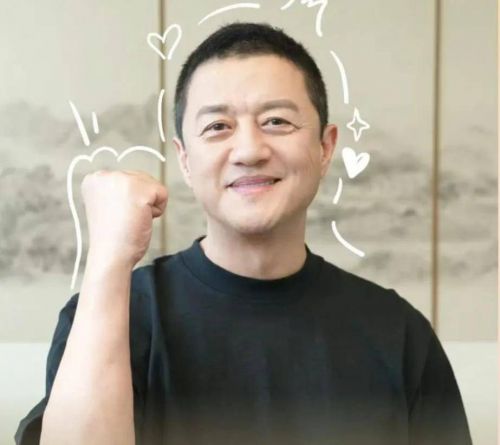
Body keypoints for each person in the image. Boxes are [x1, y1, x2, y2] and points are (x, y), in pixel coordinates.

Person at [16, 22, 472, 445]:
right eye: (218, 127)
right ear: (185, 160)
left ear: (325, 146)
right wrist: (109, 255)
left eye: (277, 121)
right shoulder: (115, 313)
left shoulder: (398, 333)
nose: (250, 150)